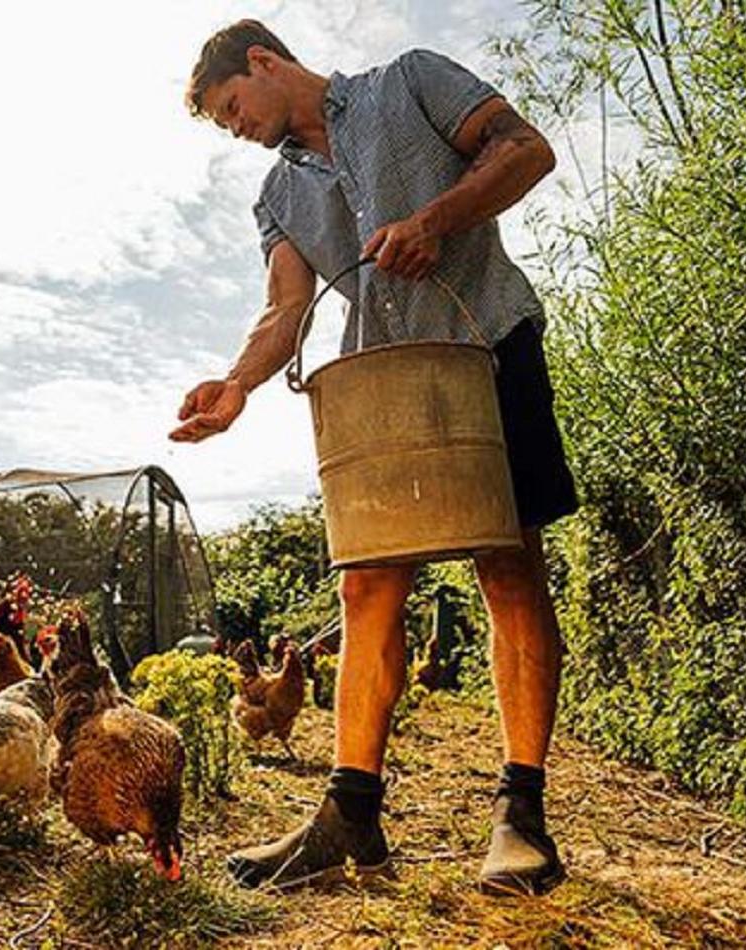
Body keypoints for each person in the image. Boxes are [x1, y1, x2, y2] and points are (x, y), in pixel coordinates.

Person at [170, 19, 578, 896]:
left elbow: (525, 149)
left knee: (508, 568)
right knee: (366, 586)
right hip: (385, 384)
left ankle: (522, 814)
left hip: (489, 343)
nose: (235, 128)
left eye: (232, 107)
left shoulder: (410, 81)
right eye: (222, 122)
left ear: (264, 62)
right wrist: (237, 385)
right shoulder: (277, 194)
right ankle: (350, 814)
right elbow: (285, 310)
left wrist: (437, 219)